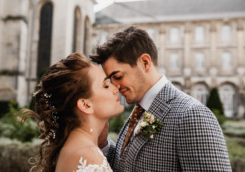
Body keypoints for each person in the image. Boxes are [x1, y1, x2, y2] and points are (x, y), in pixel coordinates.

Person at [90, 26, 232, 171]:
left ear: (145, 63)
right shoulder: (139, 110)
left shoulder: (192, 116)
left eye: (118, 76)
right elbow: (125, 163)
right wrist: (103, 144)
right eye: (111, 80)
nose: (115, 87)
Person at [21, 52, 124, 172]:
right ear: (85, 105)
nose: (116, 89)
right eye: (105, 86)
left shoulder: (75, 147)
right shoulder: (89, 156)